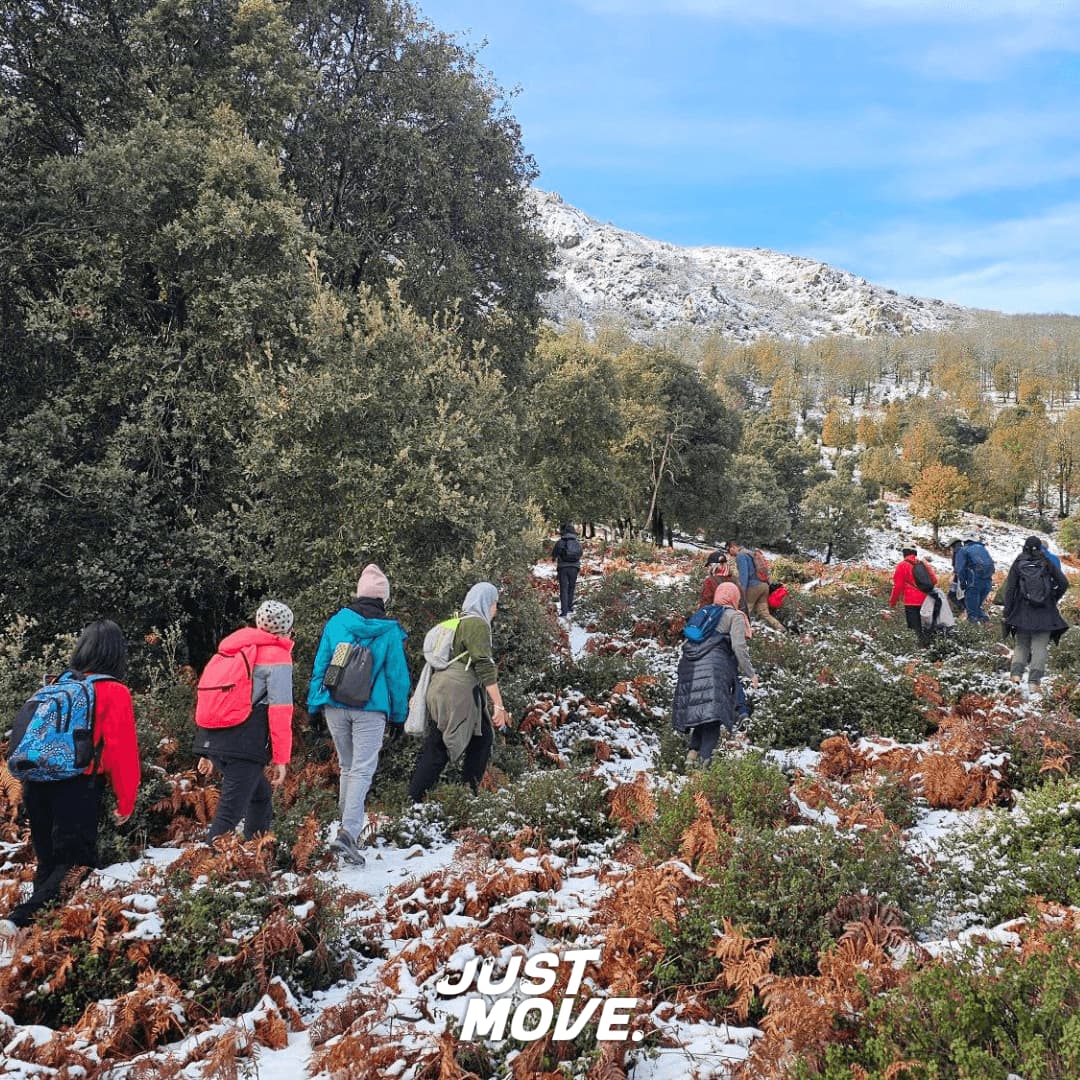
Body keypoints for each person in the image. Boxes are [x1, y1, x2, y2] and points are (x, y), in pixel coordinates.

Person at [2, 620, 140, 932]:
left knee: (50, 862)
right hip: (78, 783)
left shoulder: (54, 685)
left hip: (35, 780)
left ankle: (35, 938)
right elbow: (122, 751)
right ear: (117, 654)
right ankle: (21, 919)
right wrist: (126, 799)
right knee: (78, 863)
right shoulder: (113, 691)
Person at [308, 565, 410, 866]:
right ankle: (348, 834)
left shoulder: (338, 623)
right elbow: (397, 677)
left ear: (359, 592)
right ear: (384, 598)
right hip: (371, 709)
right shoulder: (389, 631)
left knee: (348, 766)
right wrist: (398, 716)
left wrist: (315, 705)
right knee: (362, 770)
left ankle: (344, 828)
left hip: (335, 705)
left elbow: (322, 665)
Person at [195, 600, 294, 843]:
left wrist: (207, 752)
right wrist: (281, 759)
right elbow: (281, 710)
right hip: (245, 745)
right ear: (286, 629)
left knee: (260, 796)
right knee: (228, 817)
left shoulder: (230, 650)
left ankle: (256, 852)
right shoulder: (278, 656)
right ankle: (209, 870)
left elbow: (214, 699)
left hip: (216, 740)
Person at [408, 583, 510, 802]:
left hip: (439, 689)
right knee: (441, 747)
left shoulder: (453, 623)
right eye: (494, 604)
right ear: (486, 603)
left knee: (480, 737)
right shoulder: (477, 624)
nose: (495, 610)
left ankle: (459, 795)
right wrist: (499, 705)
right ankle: (421, 799)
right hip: (458, 693)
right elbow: (484, 665)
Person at [674, 582, 759, 768]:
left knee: (700, 712)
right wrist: (750, 673)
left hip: (690, 667)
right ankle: (704, 765)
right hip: (715, 669)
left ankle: (691, 755)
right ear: (734, 597)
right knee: (713, 715)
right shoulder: (734, 616)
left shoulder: (705, 614)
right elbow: (738, 646)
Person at [1001, 536, 1069, 691]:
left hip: (1022, 612)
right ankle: (1033, 683)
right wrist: (1053, 598)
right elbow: (1064, 583)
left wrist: (1008, 611)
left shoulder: (1018, 563)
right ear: (1040, 548)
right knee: (1040, 647)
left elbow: (1010, 589)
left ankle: (1016, 676)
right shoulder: (1046, 562)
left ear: (1024, 547)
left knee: (1021, 645)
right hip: (1045, 613)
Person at [727, 540, 784, 631]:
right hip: (764, 586)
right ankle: (781, 628)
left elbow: (744, 576)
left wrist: (742, 592)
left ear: (733, 547)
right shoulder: (751, 553)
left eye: (728, 550)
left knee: (744, 612)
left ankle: (740, 633)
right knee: (764, 613)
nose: (729, 553)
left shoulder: (741, 556)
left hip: (753, 587)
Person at [887, 547, 937, 646]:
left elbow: (898, 586)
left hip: (911, 602)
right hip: (927, 600)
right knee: (928, 626)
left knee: (915, 628)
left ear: (904, 553)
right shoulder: (923, 564)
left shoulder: (902, 565)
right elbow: (934, 581)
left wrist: (892, 602)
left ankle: (920, 649)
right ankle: (933, 646)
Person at [953, 538, 995, 623]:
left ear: (965, 542)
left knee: (972, 612)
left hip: (974, 583)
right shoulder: (981, 548)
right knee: (977, 607)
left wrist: (962, 583)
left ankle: (973, 632)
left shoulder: (963, 550)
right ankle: (986, 626)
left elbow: (960, 569)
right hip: (987, 582)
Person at [552, 525, 583, 617]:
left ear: (564, 532)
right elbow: (580, 554)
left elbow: (554, 554)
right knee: (571, 587)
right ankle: (569, 607)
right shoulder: (577, 543)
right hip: (574, 568)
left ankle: (564, 610)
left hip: (563, 568)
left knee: (564, 588)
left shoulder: (560, 542)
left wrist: (556, 558)